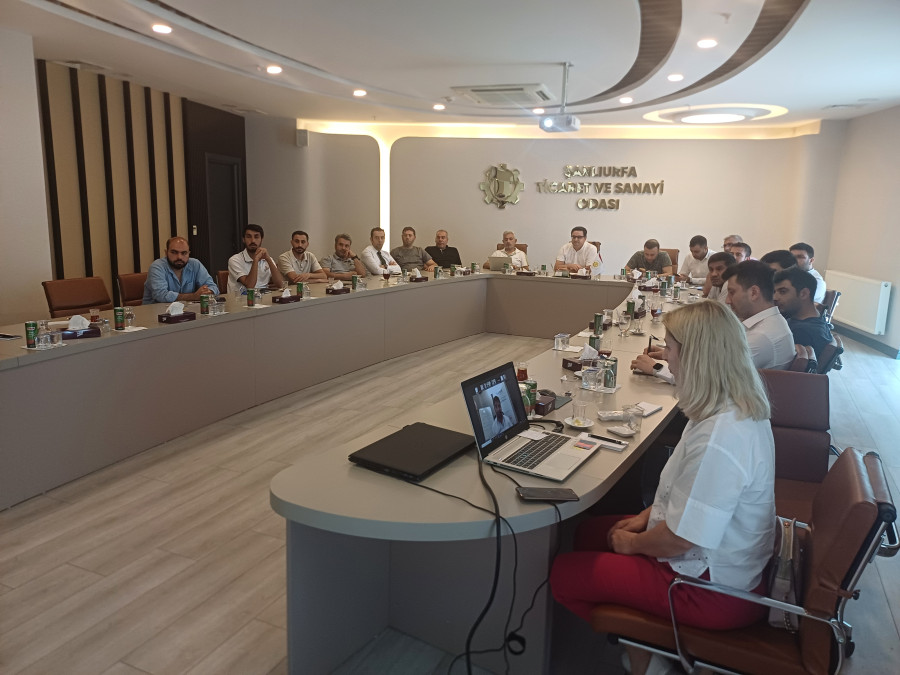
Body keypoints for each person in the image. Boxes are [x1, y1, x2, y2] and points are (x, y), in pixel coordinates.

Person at [552, 300, 775, 675]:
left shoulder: (721, 438)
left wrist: (633, 544)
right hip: (721, 559)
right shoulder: (728, 405)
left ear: (694, 357)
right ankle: (642, 639)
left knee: (563, 575)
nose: (666, 358)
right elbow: (687, 495)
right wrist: (645, 518)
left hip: (712, 591)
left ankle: (650, 660)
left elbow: (681, 539)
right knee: (589, 533)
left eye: (670, 348)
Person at [724, 261, 795, 370]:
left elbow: (716, 373)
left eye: (732, 292)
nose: (727, 301)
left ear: (754, 293)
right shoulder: (772, 321)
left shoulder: (761, 337)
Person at [774, 266, 833, 359]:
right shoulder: (816, 318)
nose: (775, 297)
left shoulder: (802, 333)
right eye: (774, 292)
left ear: (804, 293)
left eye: (783, 292)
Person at [143, 236, 218, 303]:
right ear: (166, 252)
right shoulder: (157, 267)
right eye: (174, 252)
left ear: (189, 253)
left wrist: (208, 291)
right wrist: (194, 296)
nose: (179, 257)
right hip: (155, 312)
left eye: (184, 253)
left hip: (187, 310)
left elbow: (213, 287)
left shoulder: (195, 264)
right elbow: (161, 295)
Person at [227, 223, 284, 294]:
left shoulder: (267, 259)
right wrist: (256, 260)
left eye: (256, 237)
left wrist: (268, 259)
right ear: (243, 239)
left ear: (261, 239)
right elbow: (250, 286)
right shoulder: (234, 260)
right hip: (242, 298)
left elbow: (281, 284)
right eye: (249, 237)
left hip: (264, 297)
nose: (253, 241)